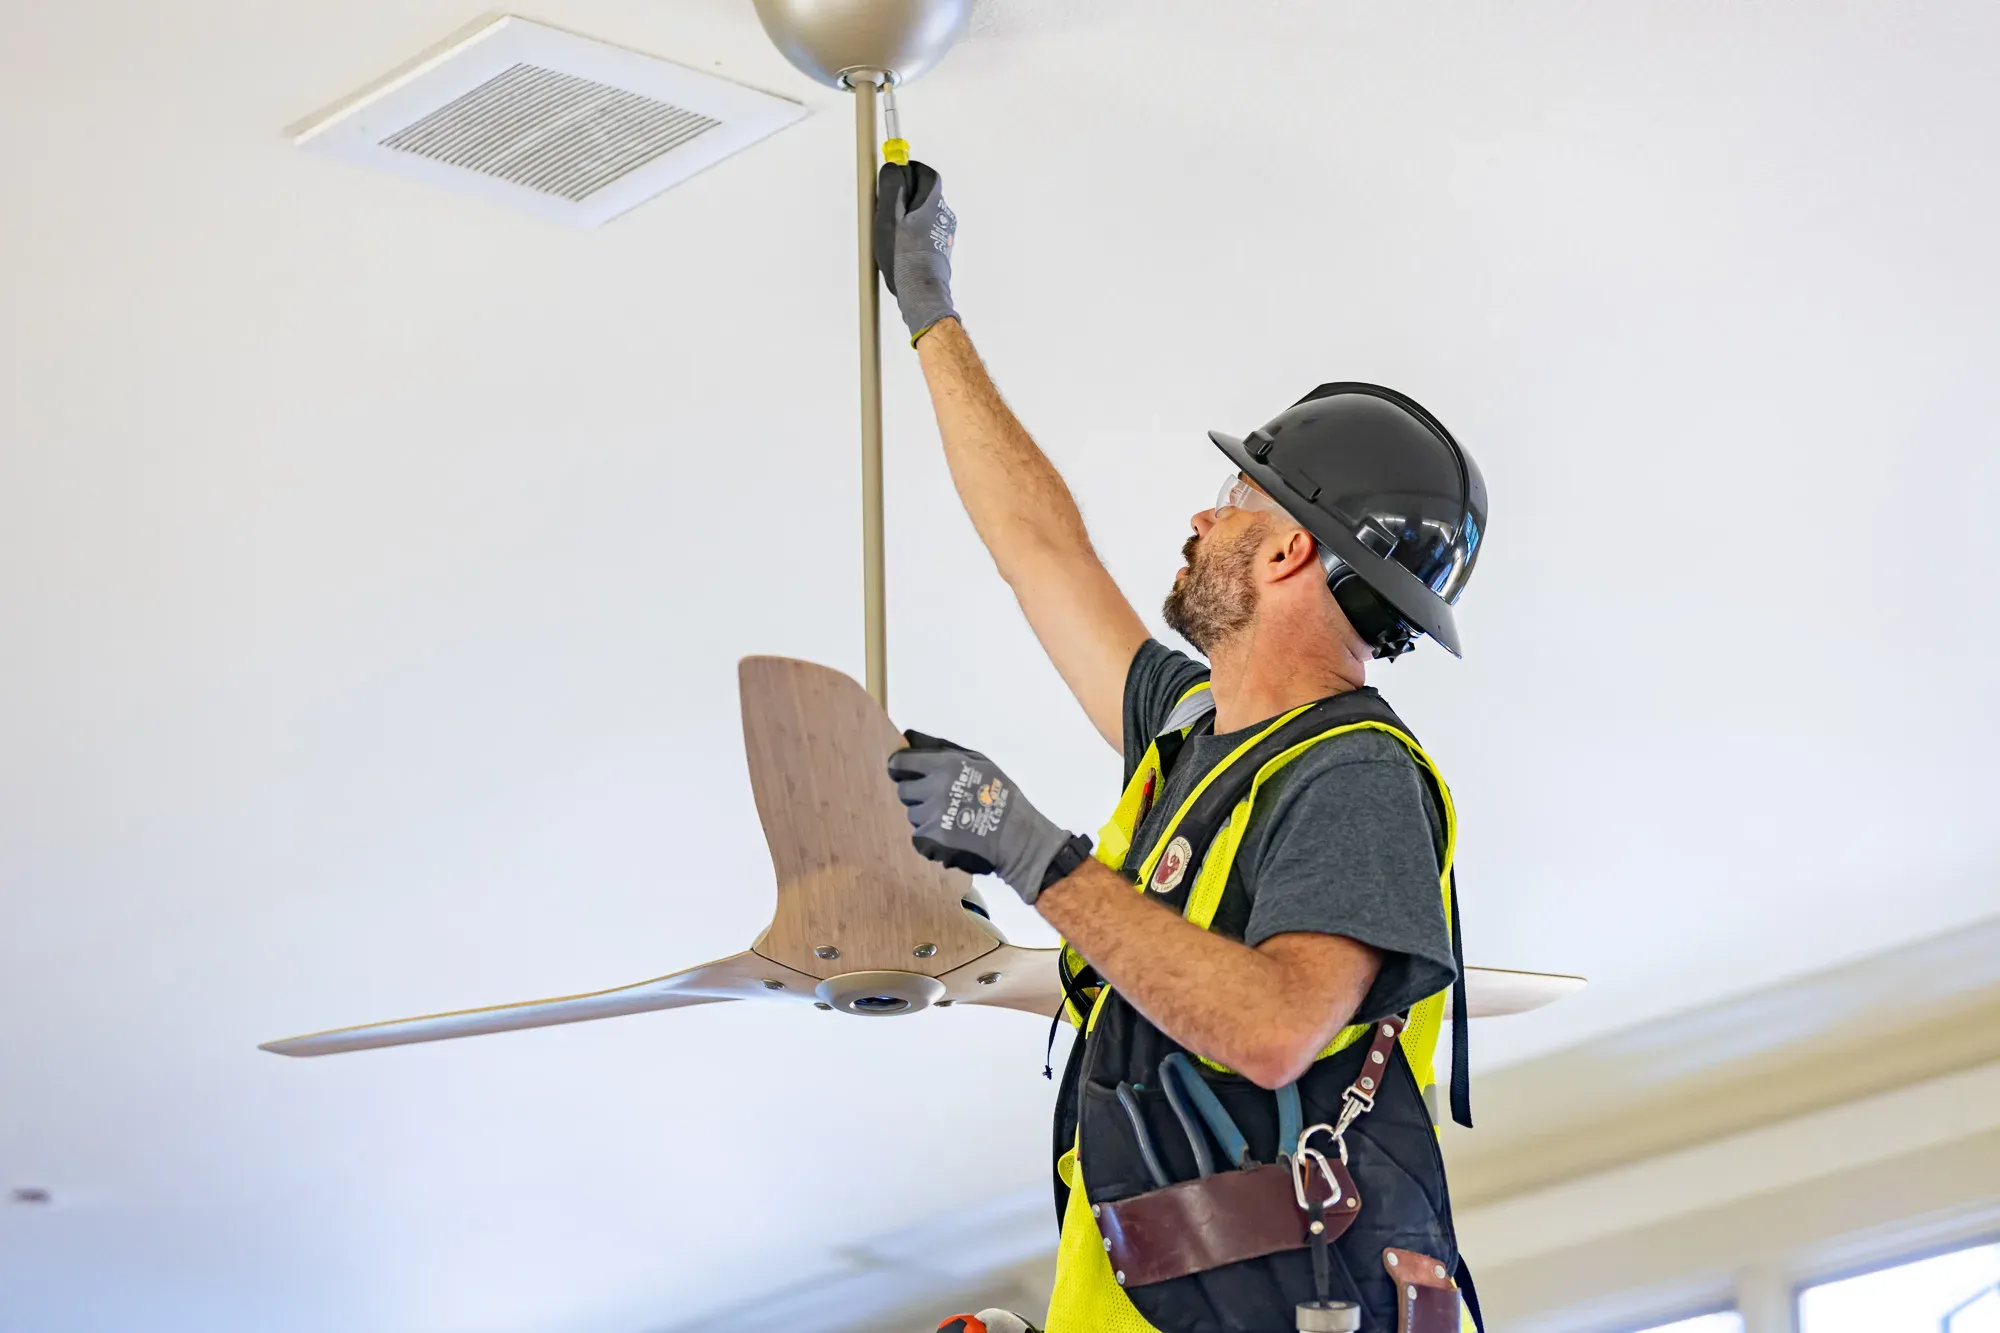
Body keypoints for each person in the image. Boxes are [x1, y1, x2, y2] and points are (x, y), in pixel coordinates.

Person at [877, 160, 1488, 1333]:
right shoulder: (1187, 730)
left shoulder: (1349, 774)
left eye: (1233, 499)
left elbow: (1270, 1031)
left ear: (1285, 555)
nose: (1201, 516)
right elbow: (1040, 551)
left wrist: (1027, 850)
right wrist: (930, 314)